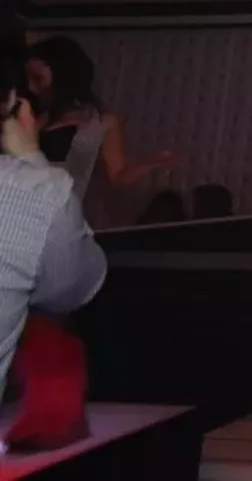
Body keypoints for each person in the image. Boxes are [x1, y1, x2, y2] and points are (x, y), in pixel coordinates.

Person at [1, 60, 108, 446]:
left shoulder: (90, 123)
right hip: (48, 216)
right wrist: (33, 161)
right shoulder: (33, 187)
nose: (34, 83)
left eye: (39, 73)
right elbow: (70, 290)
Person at [26, 36, 176, 217]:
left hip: (59, 213)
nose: (31, 87)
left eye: (38, 78)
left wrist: (152, 162)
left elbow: (118, 176)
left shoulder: (101, 123)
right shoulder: (33, 117)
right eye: (27, 79)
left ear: (62, 76)